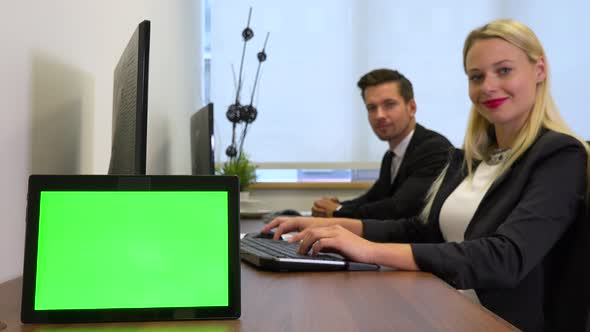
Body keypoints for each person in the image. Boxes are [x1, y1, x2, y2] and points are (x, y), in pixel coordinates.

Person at [262, 19, 590, 331]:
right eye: (476, 77)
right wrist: (325, 226)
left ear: (539, 70)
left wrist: (368, 249)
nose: (488, 86)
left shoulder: (560, 155)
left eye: (504, 70)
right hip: (442, 303)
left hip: (497, 321)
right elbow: (420, 229)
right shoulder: (469, 158)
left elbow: (504, 257)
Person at [312, 69, 452, 220]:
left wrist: (337, 210)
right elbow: (372, 199)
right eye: (372, 108)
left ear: (411, 108)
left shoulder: (434, 149)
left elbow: (398, 208)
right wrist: (335, 207)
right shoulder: (391, 156)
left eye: (389, 105)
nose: (379, 115)